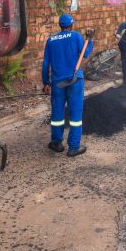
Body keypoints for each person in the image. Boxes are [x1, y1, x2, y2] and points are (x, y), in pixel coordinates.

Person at [42, 14, 94, 157]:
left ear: (60, 25)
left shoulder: (51, 41)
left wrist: (46, 82)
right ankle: (73, 147)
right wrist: (90, 40)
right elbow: (86, 53)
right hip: (74, 81)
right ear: (71, 25)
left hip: (58, 83)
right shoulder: (76, 36)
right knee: (75, 114)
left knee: (57, 114)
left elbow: (46, 63)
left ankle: (56, 143)